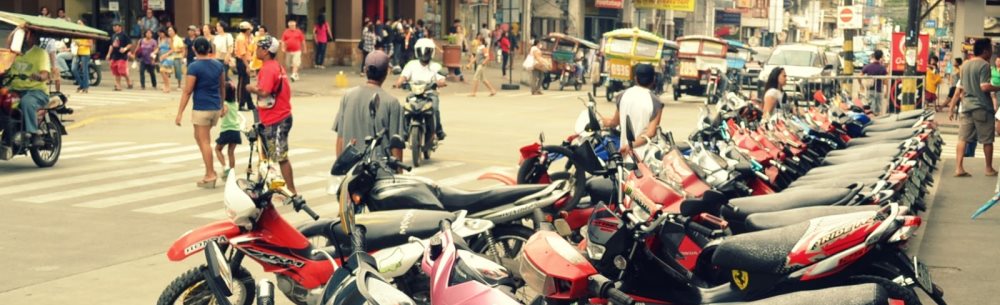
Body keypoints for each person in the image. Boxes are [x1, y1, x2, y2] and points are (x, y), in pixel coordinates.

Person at [334, 50, 405, 162]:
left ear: (365, 70)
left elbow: (340, 138)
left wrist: (340, 171)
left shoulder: (347, 96)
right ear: (387, 72)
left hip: (350, 172)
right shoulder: (392, 103)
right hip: (380, 173)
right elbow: (395, 146)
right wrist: (399, 174)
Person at [247, 35, 297, 194]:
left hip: (277, 118)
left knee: (280, 156)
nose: (256, 50)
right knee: (265, 156)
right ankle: (265, 189)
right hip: (274, 117)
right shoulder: (276, 66)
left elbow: (265, 91)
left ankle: (291, 191)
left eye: (259, 47)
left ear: (266, 51)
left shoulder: (268, 68)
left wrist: (251, 88)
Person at [175, 37, 226, 188]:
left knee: (204, 142)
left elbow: (187, 91)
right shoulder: (218, 65)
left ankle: (210, 174)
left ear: (194, 49)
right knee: (198, 136)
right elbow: (222, 86)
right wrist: (222, 105)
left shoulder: (194, 67)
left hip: (202, 108)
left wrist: (179, 113)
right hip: (215, 108)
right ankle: (209, 172)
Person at [950, 38, 1000, 178]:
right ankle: (988, 168)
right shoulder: (984, 65)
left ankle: (959, 168)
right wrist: (997, 87)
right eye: (991, 50)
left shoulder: (965, 65)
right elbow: (984, 86)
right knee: (987, 139)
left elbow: (963, 88)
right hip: (981, 107)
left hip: (966, 106)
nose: (992, 52)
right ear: (985, 51)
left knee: (963, 138)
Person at [601, 64, 664, 157]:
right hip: (644, 158)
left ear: (635, 78)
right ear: (653, 79)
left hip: (624, 154)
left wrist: (605, 122)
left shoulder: (622, 95)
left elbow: (614, 122)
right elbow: (650, 133)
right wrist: (630, 146)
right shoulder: (656, 102)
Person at [395, 38, 448, 140]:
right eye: (421, 51)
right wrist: (399, 83)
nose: (424, 54)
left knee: (435, 108)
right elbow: (403, 76)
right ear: (417, 51)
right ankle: (405, 132)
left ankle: (438, 130)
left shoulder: (435, 66)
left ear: (431, 52)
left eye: (427, 51)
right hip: (414, 93)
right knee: (405, 109)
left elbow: (442, 79)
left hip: (430, 93)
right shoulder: (411, 64)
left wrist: (439, 83)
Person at [8, 28, 51, 147]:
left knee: (27, 102)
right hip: (14, 90)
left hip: (36, 91)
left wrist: (39, 76)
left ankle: (33, 133)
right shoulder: (12, 53)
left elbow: (45, 74)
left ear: (32, 37)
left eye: (26, 35)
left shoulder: (41, 53)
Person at [215, 82, 243, 179]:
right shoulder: (235, 104)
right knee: (231, 152)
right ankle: (232, 172)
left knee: (217, 149)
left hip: (227, 130)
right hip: (236, 130)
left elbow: (223, 114)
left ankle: (225, 167)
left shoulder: (225, 104)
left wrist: (220, 112)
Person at [234, 21, 255, 111]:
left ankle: (250, 104)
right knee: (242, 83)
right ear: (246, 30)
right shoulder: (241, 38)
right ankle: (240, 103)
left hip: (246, 61)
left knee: (246, 83)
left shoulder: (246, 37)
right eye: (249, 30)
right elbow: (242, 54)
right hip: (243, 62)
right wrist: (247, 66)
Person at [107, 22, 133, 91]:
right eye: (113, 26)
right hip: (115, 55)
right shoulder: (113, 36)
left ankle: (129, 81)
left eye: (116, 26)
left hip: (122, 56)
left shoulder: (124, 35)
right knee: (115, 71)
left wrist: (125, 49)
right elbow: (111, 46)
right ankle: (118, 86)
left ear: (120, 27)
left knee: (121, 70)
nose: (114, 27)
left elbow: (130, 44)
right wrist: (109, 54)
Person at [861, 50, 888, 115]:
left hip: (870, 90)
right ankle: (877, 119)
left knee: (870, 108)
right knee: (878, 108)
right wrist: (886, 91)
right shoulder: (883, 68)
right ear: (881, 57)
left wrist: (861, 85)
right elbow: (885, 81)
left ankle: (871, 119)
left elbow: (860, 75)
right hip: (879, 90)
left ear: (874, 56)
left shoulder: (868, 66)